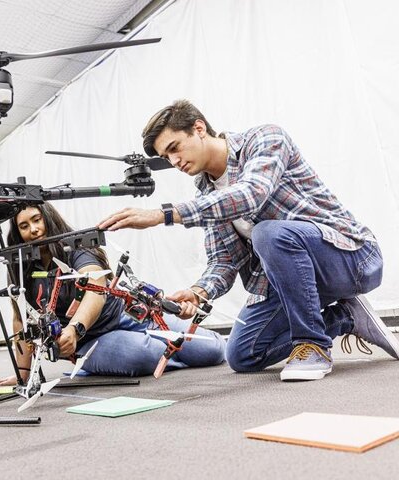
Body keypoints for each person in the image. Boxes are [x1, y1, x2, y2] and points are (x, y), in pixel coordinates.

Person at [99, 99, 398, 382]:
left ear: (199, 128)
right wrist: (198, 291)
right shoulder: (206, 192)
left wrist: (163, 214)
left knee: (268, 233)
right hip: (295, 281)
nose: (174, 161)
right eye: (166, 157)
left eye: (174, 148)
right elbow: (224, 260)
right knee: (243, 354)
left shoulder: (265, 139)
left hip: (353, 258)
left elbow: (251, 195)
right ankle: (346, 316)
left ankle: (313, 346)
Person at [0, 203, 225, 386]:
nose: (33, 230)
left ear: (49, 218)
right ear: (17, 233)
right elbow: (19, 320)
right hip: (91, 341)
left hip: (129, 317)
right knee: (144, 354)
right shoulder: (20, 269)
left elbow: (95, 287)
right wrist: (23, 374)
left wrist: (75, 329)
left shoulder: (75, 248)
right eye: (24, 226)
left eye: (37, 220)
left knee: (212, 351)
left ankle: (164, 346)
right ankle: (120, 357)